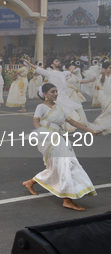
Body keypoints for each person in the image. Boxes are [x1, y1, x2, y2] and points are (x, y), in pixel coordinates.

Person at [22, 83, 102, 211]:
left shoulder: (59, 107)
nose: (55, 94)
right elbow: (35, 121)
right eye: (52, 92)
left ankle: (30, 182)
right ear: (45, 94)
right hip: (50, 140)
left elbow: (73, 122)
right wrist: (43, 134)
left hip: (61, 139)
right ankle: (67, 199)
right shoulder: (41, 107)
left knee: (60, 167)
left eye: (56, 91)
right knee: (64, 166)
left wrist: (91, 131)